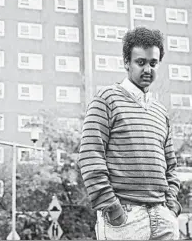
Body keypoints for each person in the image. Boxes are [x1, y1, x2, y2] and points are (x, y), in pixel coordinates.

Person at [78, 27, 182, 240]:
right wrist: (112, 207)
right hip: (125, 219)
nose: (147, 69)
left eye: (153, 63)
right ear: (127, 62)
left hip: (162, 216)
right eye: (140, 62)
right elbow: (90, 156)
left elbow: (171, 166)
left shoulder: (160, 111)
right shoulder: (106, 100)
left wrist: (170, 205)